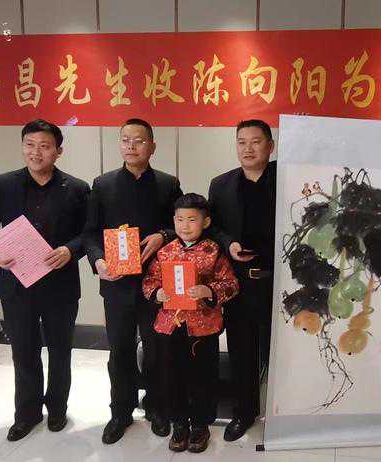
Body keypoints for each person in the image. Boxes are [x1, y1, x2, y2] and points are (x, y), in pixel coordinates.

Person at [0, 119, 90, 441]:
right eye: (30, 145)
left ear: (58, 151)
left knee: (60, 351)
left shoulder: (77, 188)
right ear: (22, 147)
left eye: (44, 146)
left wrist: (71, 249)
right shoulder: (4, 184)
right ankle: (26, 414)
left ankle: (57, 410)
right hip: (16, 285)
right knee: (23, 352)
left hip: (60, 285)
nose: (36, 152)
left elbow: (89, 232)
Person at [82, 118, 183, 444]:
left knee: (157, 349)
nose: (131, 146)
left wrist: (163, 234)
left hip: (157, 284)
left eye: (138, 140)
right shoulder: (103, 184)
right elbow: (90, 233)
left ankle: (157, 407)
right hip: (117, 283)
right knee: (120, 349)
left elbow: (182, 226)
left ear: (152, 146)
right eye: (125, 140)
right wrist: (98, 260)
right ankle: (120, 412)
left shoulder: (168, 184)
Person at [142, 193, 239, 453]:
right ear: (173, 220)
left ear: (206, 222)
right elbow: (149, 281)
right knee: (172, 376)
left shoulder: (213, 251)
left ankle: (200, 425)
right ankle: (179, 423)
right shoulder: (164, 252)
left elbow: (231, 284)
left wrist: (209, 291)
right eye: (180, 219)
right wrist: (157, 294)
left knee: (203, 377)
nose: (185, 225)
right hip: (169, 326)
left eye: (192, 220)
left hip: (202, 327)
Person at [207, 119, 276, 441]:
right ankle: (244, 412)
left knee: (281, 352)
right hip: (239, 282)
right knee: (241, 349)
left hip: (280, 282)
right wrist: (228, 243)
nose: (248, 149)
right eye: (241, 142)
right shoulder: (220, 185)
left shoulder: (288, 179)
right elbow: (213, 227)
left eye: (256, 142)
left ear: (270, 146)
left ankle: (283, 413)